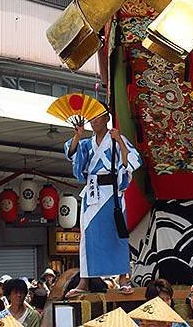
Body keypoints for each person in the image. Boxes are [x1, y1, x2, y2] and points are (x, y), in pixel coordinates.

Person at [64, 107, 142, 297]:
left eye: (98, 118)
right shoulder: (86, 143)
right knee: (88, 236)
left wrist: (119, 143)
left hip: (112, 193)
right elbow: (71, 155)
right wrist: (77, 135)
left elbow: (132, 161)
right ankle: (85, 280)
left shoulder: (117, 138)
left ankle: (123, 278)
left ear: (107, 118)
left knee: (118, 235)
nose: (94, 121)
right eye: (91, 118)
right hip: (92, 192)